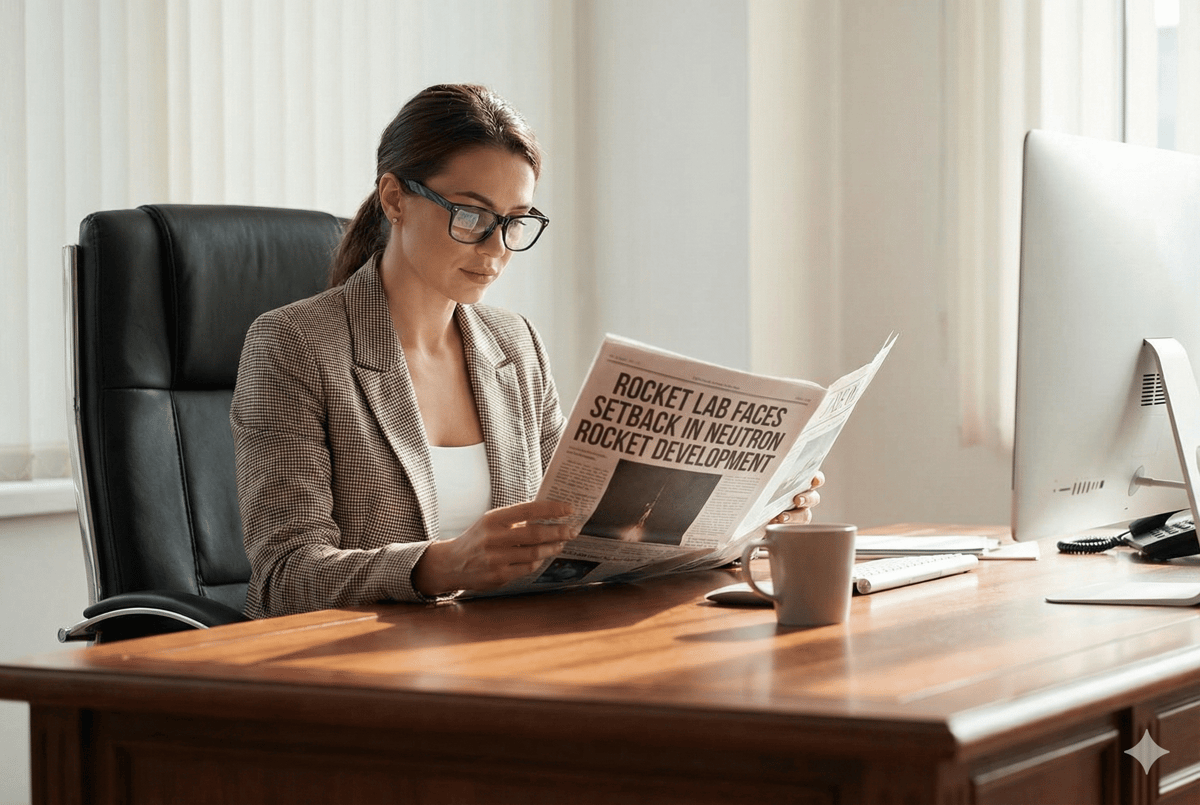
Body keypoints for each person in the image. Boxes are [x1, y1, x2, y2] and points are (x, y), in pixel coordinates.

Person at [231, 83, 822, 619]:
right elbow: (286, 578)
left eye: (514, 221)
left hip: (508, 655)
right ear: (394, 198)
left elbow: (584, 536)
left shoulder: (515, 346)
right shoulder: (296, 346)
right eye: (470, 215)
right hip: (366, 677)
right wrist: (441, 565)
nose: (496, 248)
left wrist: (748, 522)